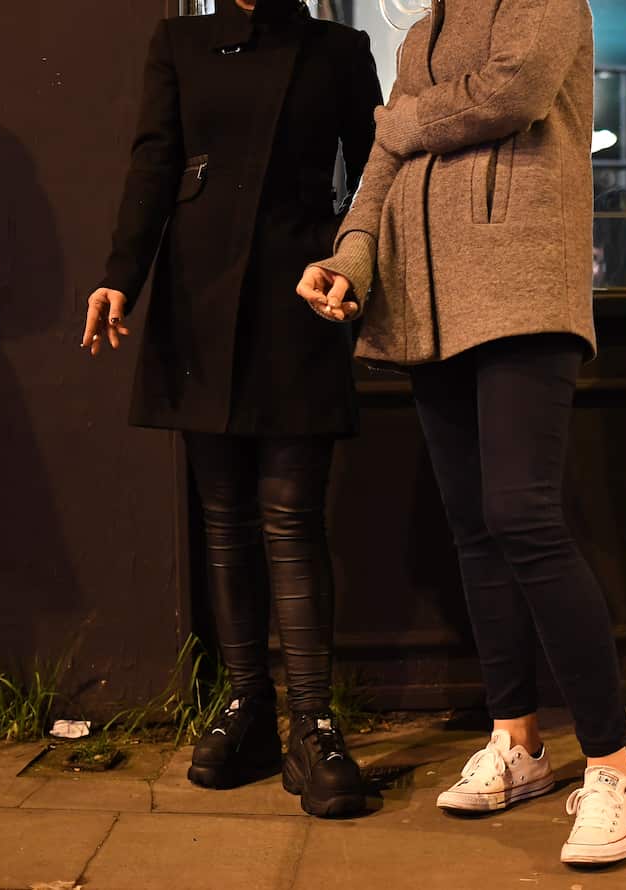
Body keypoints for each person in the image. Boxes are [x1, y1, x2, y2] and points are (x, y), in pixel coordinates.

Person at [296, 0, 626, 864]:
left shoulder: (547, 5)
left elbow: (511, 93)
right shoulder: (421, 35)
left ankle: (613, 771)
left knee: (524, 517)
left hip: (521, 290)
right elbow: (380, 165)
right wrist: (349, 257)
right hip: (424, 305)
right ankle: (519, 741)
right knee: (477, 532)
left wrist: (401, 115)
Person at [81, 0, 381, 818]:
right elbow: (154, 160)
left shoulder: (339, 49)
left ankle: (312, 723)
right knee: (224, 519)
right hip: (200, 296)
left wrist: (350, 262)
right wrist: (121, 275)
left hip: (299, 295)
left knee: (291, 516)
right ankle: (247, 709)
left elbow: (372, 178)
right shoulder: (178, 40)